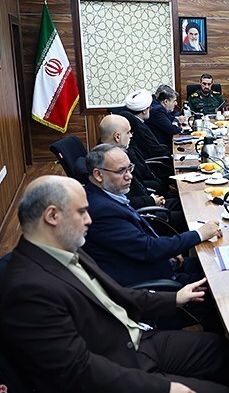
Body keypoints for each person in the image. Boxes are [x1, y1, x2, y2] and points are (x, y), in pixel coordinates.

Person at [0, 175, 229, 393]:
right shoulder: (27, 289)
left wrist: (174, 298)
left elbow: (117, 295)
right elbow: (78, 370)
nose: (89, 220)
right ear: (52, 216)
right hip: (117, 371)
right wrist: (161, 391)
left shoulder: (62, 248)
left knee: (222, 351)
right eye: (81, 212)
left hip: (134, 340)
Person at [81, 144, 220, 287]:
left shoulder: (107, 195)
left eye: (129, 168)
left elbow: (139, 238)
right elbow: (148, 249)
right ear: (98, 174)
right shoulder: (102, 210)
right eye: (121, 171)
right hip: (156, 281)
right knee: (221, 279)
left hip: (162, 264)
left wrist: (170, 251)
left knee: (216, 260)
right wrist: (199, 234)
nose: (129, 176)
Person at [97, 115, 186, 231]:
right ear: (117, 136)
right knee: (188, 214)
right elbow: (124, 202)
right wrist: (151, 201)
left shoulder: (117, 151)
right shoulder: (109, 162)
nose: (131, 135)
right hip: (142, 216)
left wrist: (152, 198)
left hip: (146, 202)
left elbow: (137, 185)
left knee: (187, 201)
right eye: (128, 132)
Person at [116, 89, 171, 162]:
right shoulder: (138, 126)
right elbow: (154, 150)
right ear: (144, 111)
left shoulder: (133, 121)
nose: (150, 110)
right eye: (149, 108)